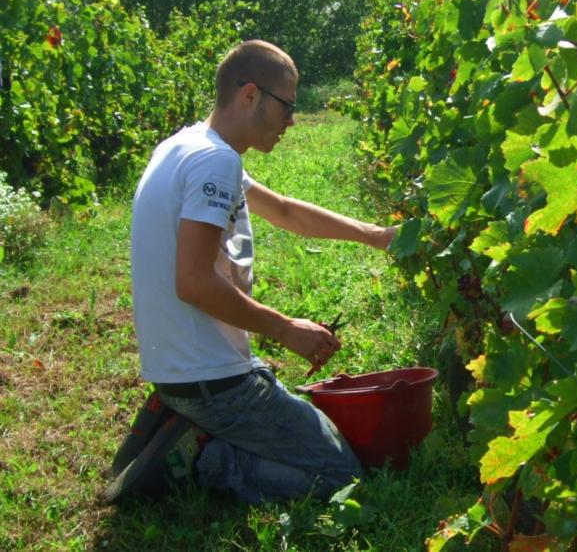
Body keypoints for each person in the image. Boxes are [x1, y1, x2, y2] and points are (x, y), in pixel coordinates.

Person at [105, 40, 396, 504]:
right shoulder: (215, 161)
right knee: (341, 474)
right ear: (250, 95)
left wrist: (376, 235)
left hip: (179, 372)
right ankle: (203, 461)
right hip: (210, 382)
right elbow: (194, 282)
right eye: (287, 106)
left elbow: (284, 210)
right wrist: (286, 330)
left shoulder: (187, 145)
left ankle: (190, 425)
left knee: (310, 438)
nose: (292, 121)